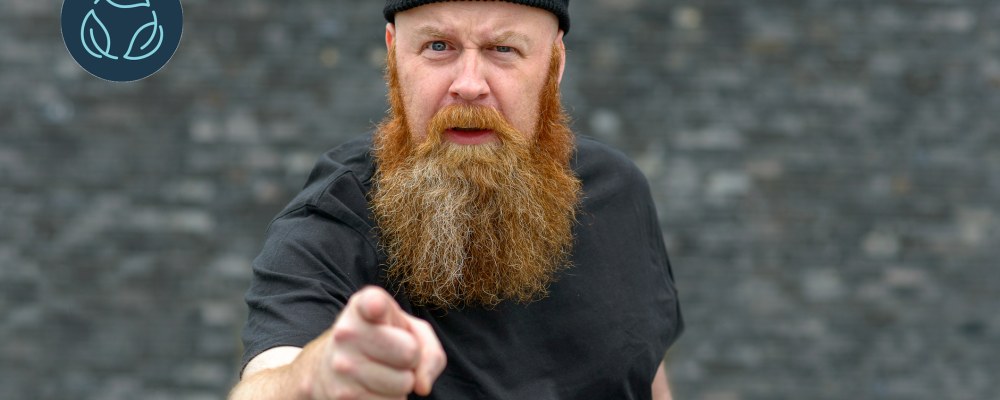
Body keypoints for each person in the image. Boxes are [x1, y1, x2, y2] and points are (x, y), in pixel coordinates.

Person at [229, 1, 683, 399]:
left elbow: (644, 373)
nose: (469, 84)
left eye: (503, 49)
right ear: (393, 54)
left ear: (554, 63)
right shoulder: (331, 222)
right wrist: (316, 375)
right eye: (438, 47)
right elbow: (268, 379)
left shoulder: (620, 190)